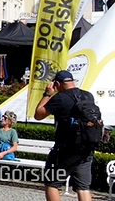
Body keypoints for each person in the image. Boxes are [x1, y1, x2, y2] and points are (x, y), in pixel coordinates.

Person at [35, 70, 97, 201]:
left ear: (56, 83)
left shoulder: (60, 98)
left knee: (52, 183)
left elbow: (38, 114)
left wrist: (47, 94)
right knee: (83, 188)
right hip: (86, 147)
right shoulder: (88, 96)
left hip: (65, 149)